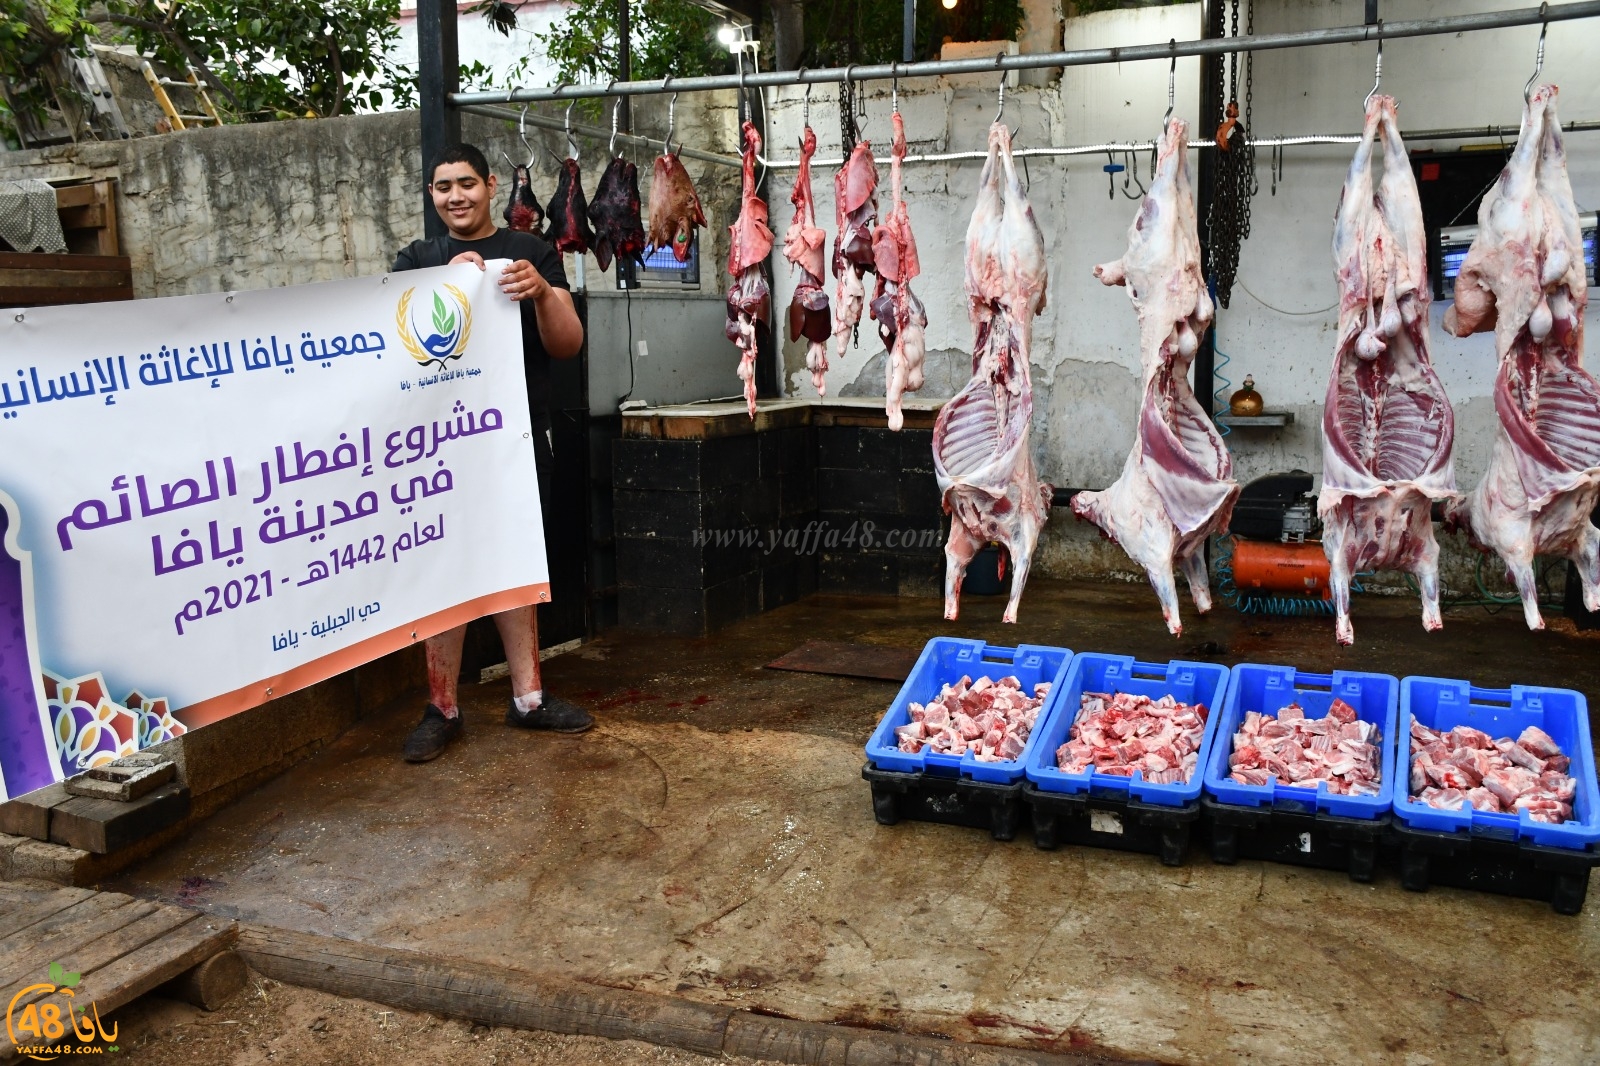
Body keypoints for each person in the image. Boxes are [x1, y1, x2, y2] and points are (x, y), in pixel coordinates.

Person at [392, 142, 593, 762]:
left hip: (514, 439)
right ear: (432, 195)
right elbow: (389, 346)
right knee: (442, 568)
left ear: (490, 186)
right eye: (443, 186)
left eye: (467, 184)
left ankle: (528, 697)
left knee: (515, 564)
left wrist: (541, 293)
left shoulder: (530, 253)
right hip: (437, 449)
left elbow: (567, 345)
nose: (456, 196)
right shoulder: (415, 261)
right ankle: (441, 706)